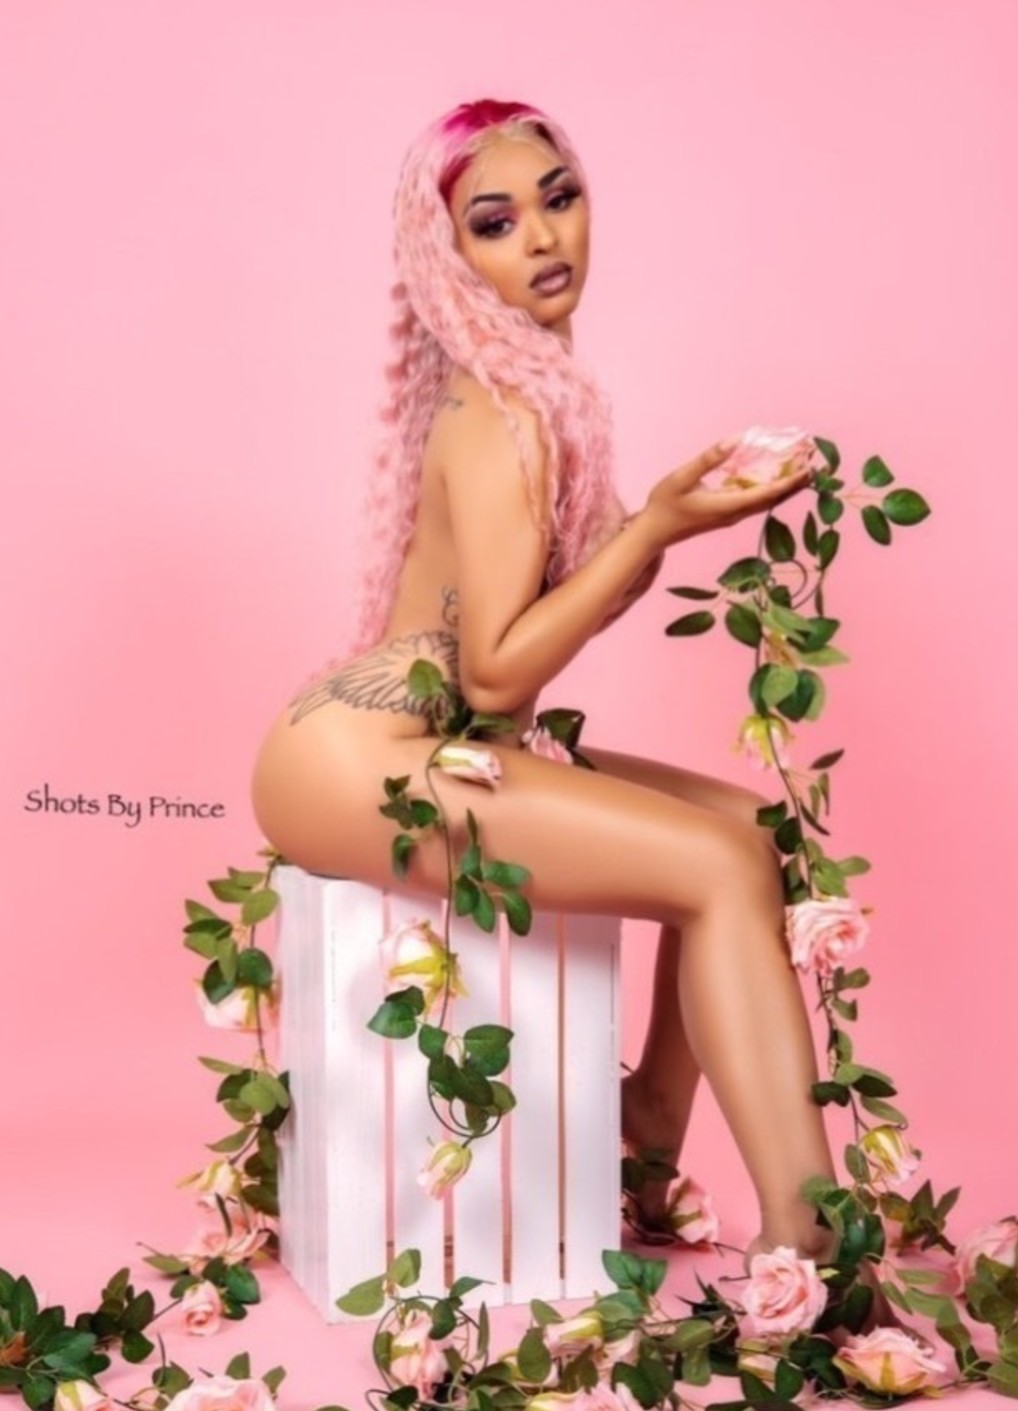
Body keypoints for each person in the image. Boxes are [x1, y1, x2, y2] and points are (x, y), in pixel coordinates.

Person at [250, 98, 860, 1281]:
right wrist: (656, 532)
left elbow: (528, 638)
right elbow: (495, 667)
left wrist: (666, 521)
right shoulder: (501, 410)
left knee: (755, 831)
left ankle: (644, 1138)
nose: (541, 237)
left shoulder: (536, 394)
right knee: (718, 867)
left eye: (560, 199)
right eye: (495, 221)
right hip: (358, 762)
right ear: (449, 259)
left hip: (437, 742)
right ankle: (814, 1242)